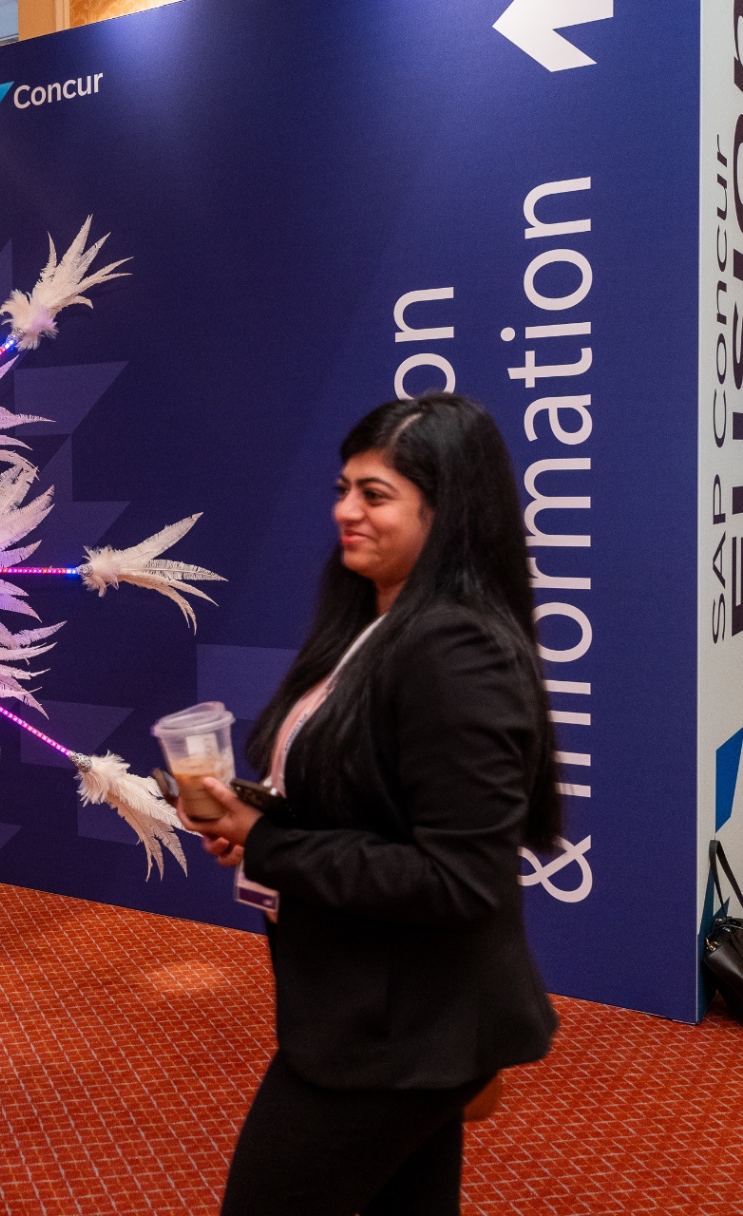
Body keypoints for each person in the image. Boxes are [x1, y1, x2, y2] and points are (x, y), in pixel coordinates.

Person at [176, 393, 559, 1216]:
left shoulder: (457, 650)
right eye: (344, 488)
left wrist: (268, 843)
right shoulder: (373, 621)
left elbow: (459, 878)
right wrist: (256, 815)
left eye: (375, 494)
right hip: (371, 1008)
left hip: (404, 1028)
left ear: (447, 510)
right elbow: (369, 800)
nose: (345, 511)